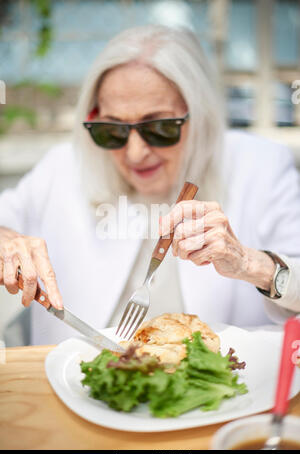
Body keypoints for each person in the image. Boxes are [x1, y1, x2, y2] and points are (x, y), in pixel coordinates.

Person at [0, 25, 300, 346]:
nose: (135, 153)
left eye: (159, 128)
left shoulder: (261, 165)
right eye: (112, 130)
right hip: (72, 386)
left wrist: (249, 263)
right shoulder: (62, 167)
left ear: (200, 116)